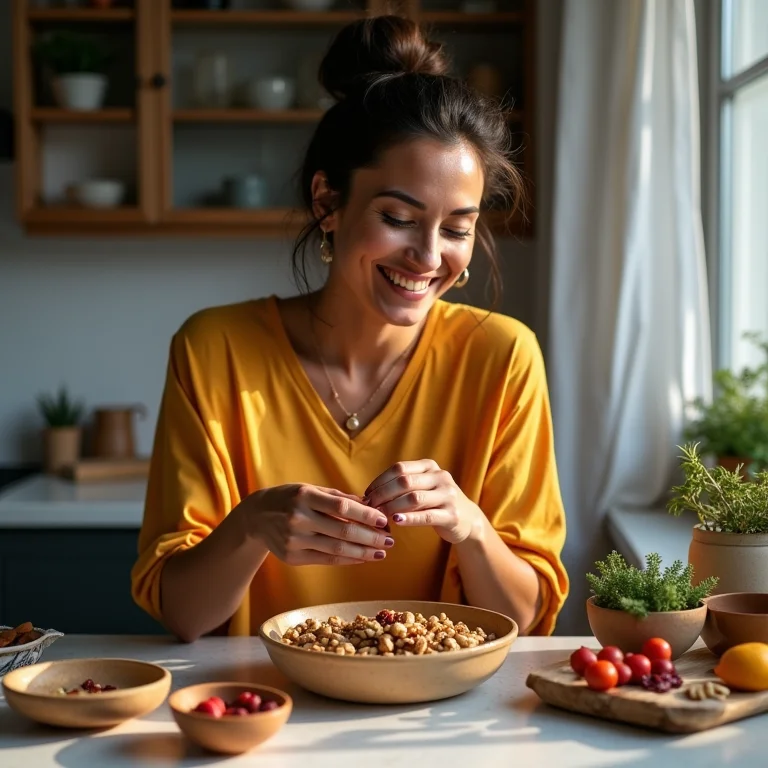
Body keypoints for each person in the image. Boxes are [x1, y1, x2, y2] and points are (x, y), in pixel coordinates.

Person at [131, 15, 568, 643]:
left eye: (456, 228)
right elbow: (183, 614)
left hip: (444, 701)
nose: (428, 256)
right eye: (398, 218)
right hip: (265, 697)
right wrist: (252, 525)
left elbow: (523, 617)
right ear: (327, 202)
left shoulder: (504, 357)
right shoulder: (214, 350)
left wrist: (471, 527)